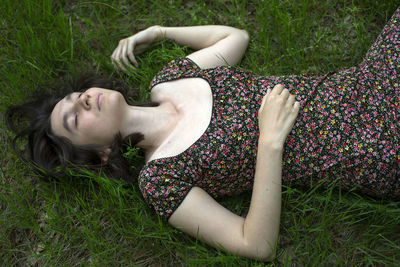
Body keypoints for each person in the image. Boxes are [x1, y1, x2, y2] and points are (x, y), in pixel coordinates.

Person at [6, 7, 400, 261]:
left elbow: (234, 39)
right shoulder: (161, 179)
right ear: (102, 154)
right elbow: (255, 243)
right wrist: (270, 142)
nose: (84, 101)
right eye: (75, 118)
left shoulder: (171, 79)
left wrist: (159, 32)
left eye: (77, 96)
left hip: (370, 82)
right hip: (376, 145)